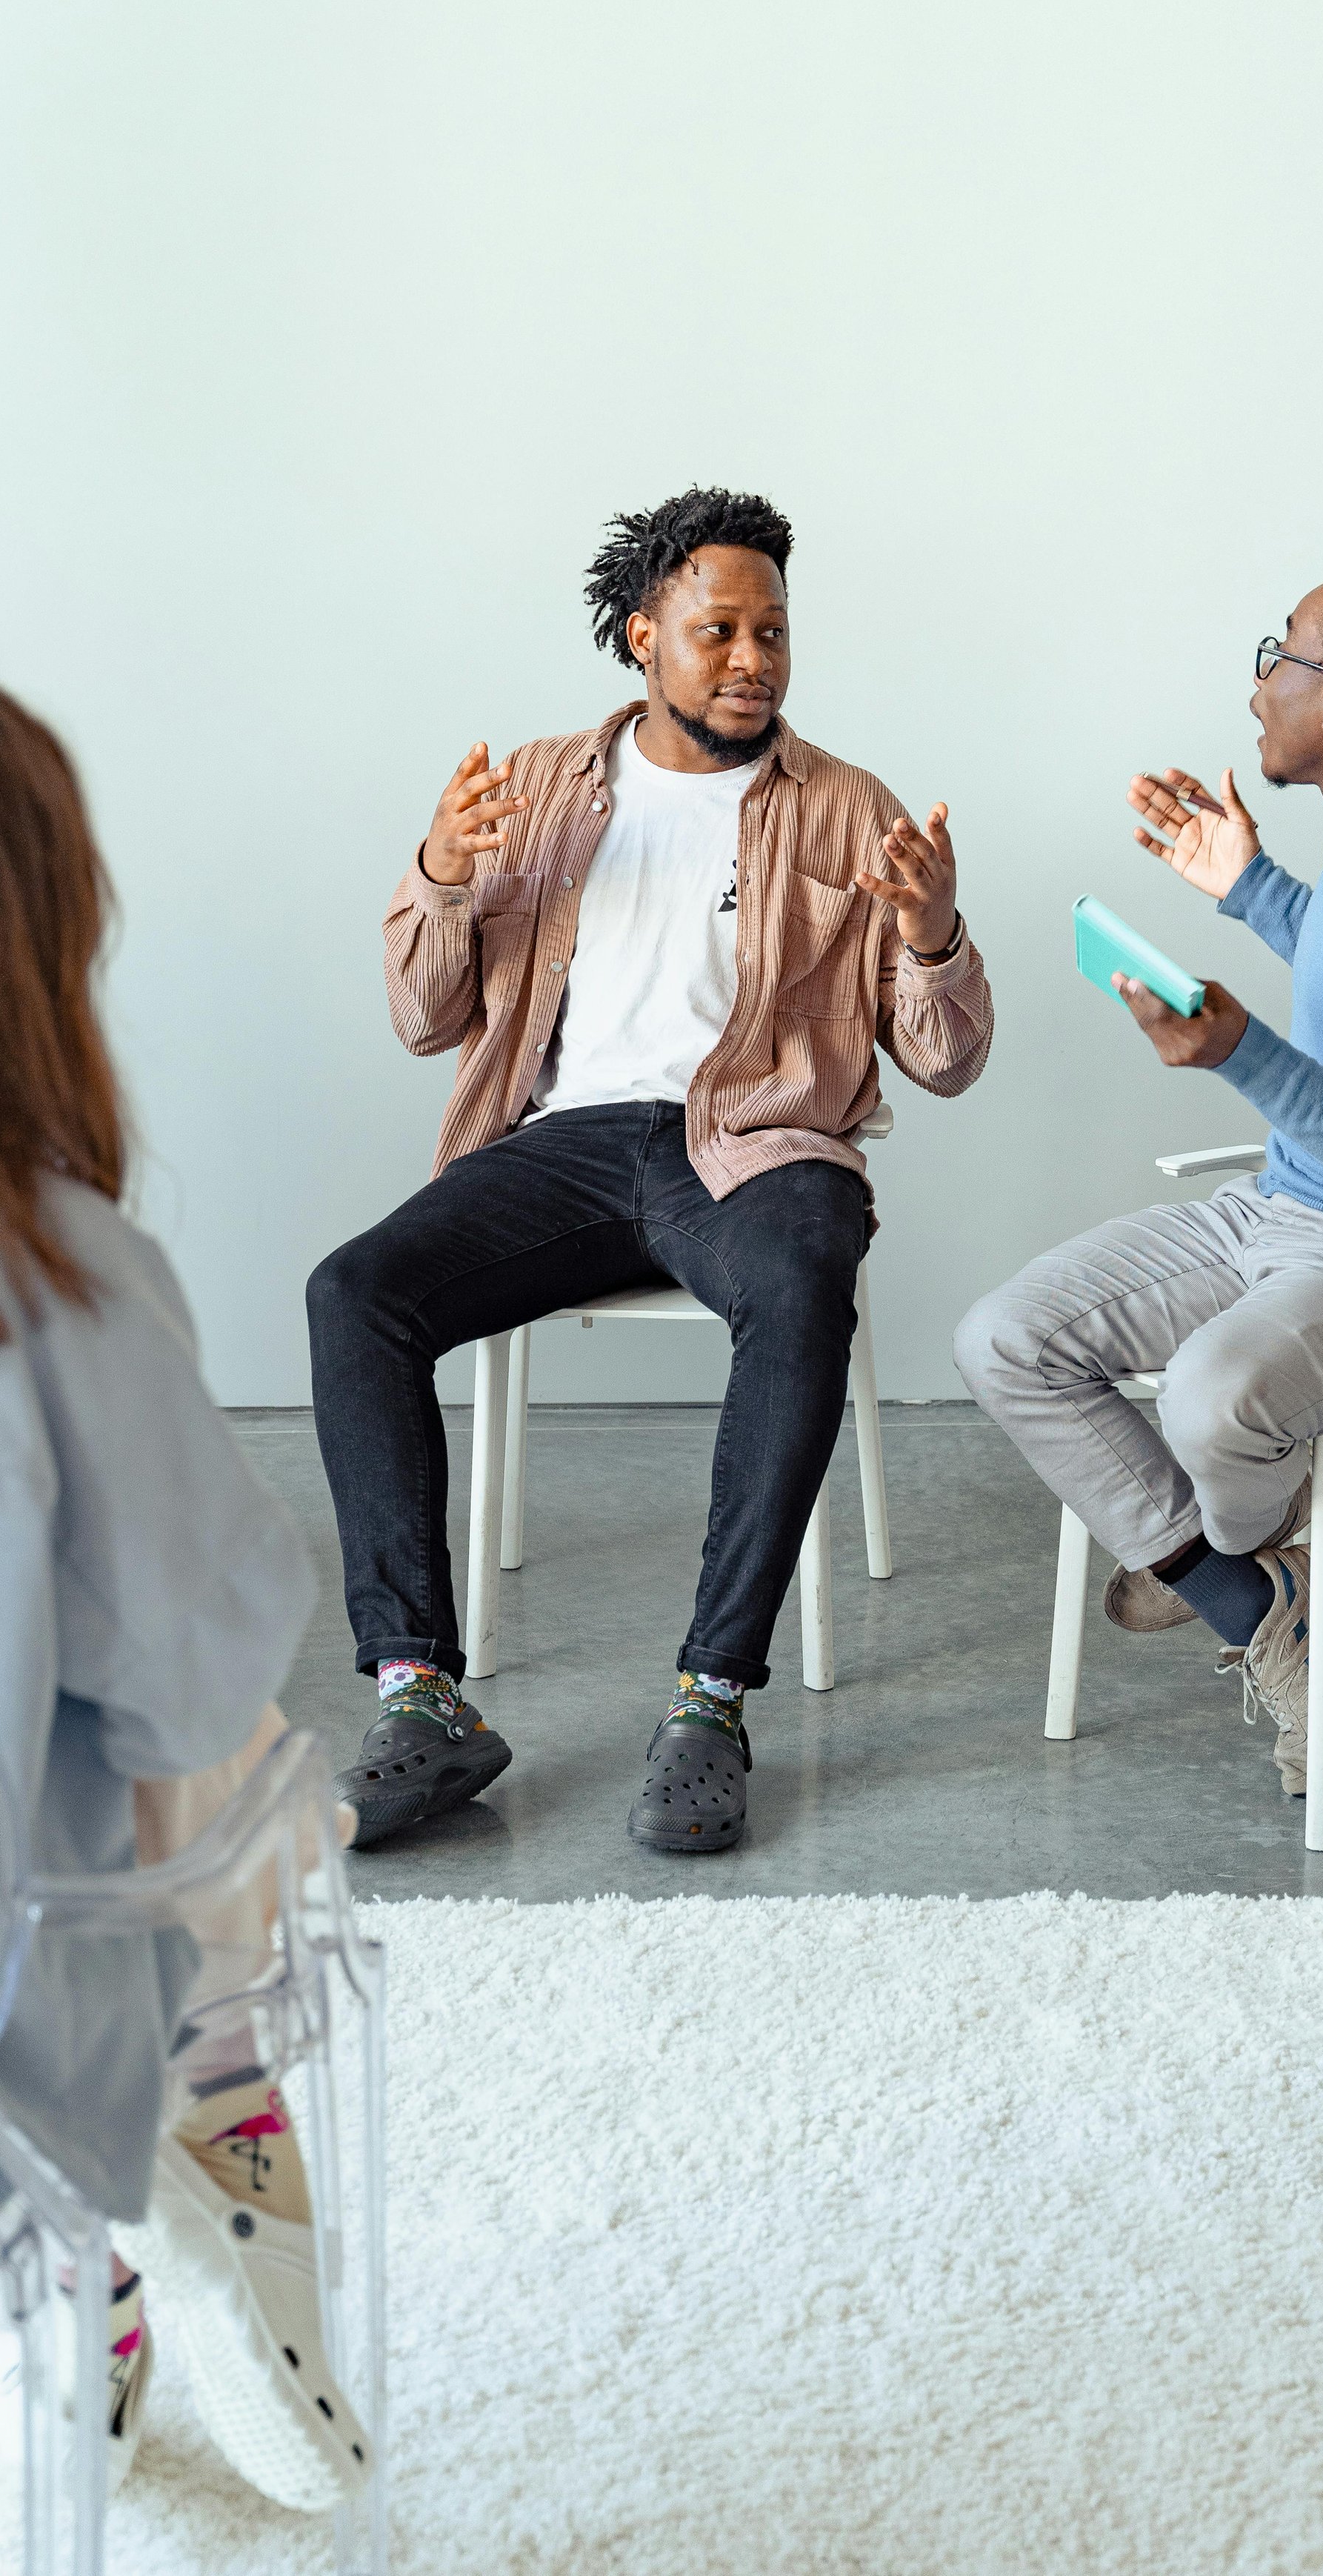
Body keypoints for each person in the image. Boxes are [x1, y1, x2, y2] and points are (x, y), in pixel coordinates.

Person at [310, 485, 995, 1854]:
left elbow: (947, 1058)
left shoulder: (850, 809)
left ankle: (710, 1700)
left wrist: (929, 928)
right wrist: (443, 869)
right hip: (564, 1140)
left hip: (756, 1141)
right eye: (719, 630)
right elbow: (423, 1016)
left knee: (804, 1281)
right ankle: (417, 1692)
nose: (753, 659)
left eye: (774, 632)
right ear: (644, 637)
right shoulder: (542, 790)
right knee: (355, 1292)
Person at [0, 646, 367, 2510]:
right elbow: (188, 1689)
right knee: (240, 1769)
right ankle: (215, 2150)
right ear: (44, 931)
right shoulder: (54, 1278)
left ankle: (105, 2263)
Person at [956, 555, 1323, 1799]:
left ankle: (1216, 1556)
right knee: (1006, 1337)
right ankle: (1248, 1590)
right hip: (1283, 1212)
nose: (1260, 681)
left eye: (1280, 653)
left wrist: (1240, 1055)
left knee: (1212, 1397)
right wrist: (1252, 888)